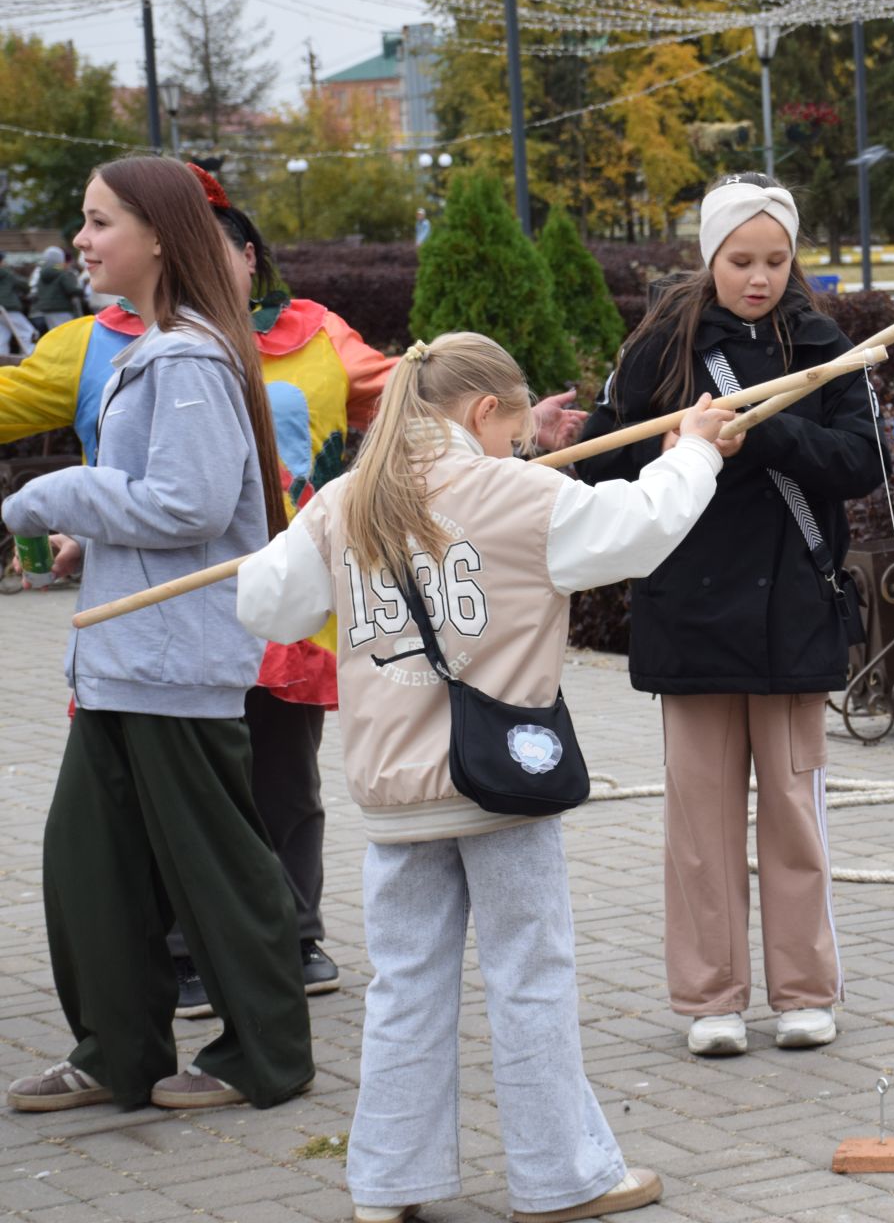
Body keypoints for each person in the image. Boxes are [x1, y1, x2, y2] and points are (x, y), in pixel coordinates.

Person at [0, 164, 587, 1016]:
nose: (223, 260)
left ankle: (294, 940)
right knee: (172, 796)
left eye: (235, 244)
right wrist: (81, 528)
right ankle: (187, 953)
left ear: (249, 257)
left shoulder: (315, 337)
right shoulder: (94, 340)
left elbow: (413, 395)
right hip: (157, 615)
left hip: (294, 585)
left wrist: (509, 428)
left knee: (281, 774)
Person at [238, 332, 724, 1223]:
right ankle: (560, 1178)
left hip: (392, 796)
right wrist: (693, 450)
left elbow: (266, 601)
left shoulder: (346, 501)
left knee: (405, 985)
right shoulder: (517, 494)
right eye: (512, 429)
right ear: (481, 412)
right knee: (529, 973)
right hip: (501, 784)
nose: (521, 450)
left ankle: (387, 1185)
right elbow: (643, 528)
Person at [1, 154, 312, 1113]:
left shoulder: (184, 356)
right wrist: (88, 544)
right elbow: (178, 515)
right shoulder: (164, 349)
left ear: (160, 238)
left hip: (172, 666)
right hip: (128, 660)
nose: (80, 243)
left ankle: (263, 1056)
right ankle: (117, 1052)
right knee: (88, 867)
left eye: (98, 224)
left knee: (214, 868)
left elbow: (188, 502)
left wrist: (51, 495)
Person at [575, 173, 883, 1057]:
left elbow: (860, 463)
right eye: (740, 260)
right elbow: (600, 464)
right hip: (690, 609)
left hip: (795, 607)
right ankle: (711, 998)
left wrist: (768, 429)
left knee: (793, 812)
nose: (759, 277)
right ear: (709, 256)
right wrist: (671, 449)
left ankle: (804, 990)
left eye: (776, 260)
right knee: (700, 822)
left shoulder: (824, 343)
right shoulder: (656, 348)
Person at [31, 246, 84, 332]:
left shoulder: (41, 274)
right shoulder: (63, 273)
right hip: (62, 308)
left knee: (55, 333)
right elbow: (71, 289)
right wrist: (81, 290)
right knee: (66, 333)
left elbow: (36, 291)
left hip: (46, 309)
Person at [0, 262, 34, 356]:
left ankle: (2, 360)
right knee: (28, 332)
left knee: (2, 335)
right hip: (9, 307)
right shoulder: (6, 273)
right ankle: (30, 355)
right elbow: (24, 285)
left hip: (2, 309)